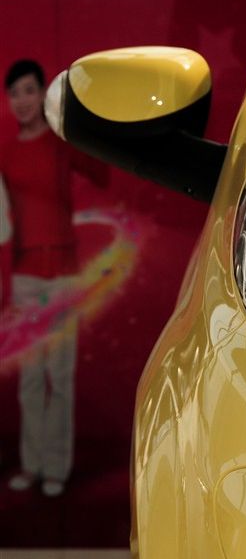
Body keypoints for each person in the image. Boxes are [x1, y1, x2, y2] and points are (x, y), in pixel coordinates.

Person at [0, 59, 108, 497]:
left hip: (63, 276)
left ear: (42, 93)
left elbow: (101, 173)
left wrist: (85, 123)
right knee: (30, 380)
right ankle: (32, 464)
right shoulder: (5, 154)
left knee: (59, 378)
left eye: (29, 90)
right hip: (26, 278)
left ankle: (56, 470)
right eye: (14, 94)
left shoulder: (61, 144)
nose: (22, 100)